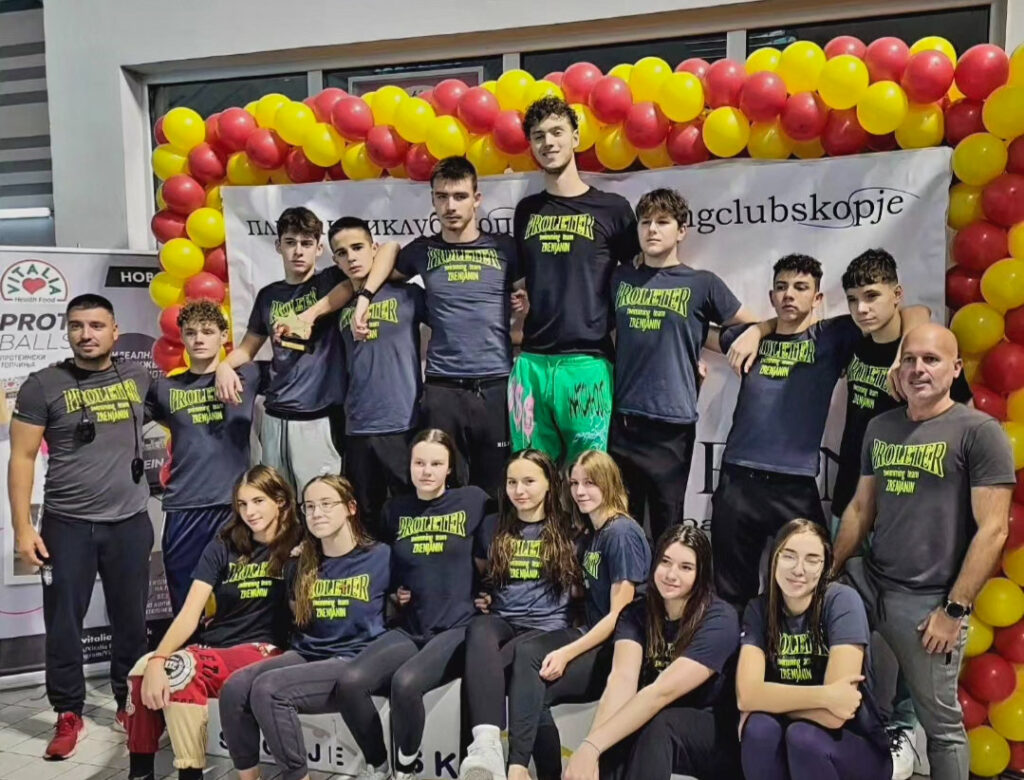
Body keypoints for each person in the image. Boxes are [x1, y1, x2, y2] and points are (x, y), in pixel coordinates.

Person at [833, 324, 1015, 780]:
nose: (918, 369)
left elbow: (994, 530)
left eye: (931, 359)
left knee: (943, 728)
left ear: (955, 369)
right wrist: (831, 571)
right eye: (909, 359)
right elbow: (861, 508)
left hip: (927, 604)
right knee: (849, 696)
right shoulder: (881, 427)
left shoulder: (979, 431)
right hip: (871, 584)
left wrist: (953, 610)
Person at [833, 250, 966, 778]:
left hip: (911, 519)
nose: (862, 309)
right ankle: (862, 723)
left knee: (918, 634)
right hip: (851, 507)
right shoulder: (851, 339)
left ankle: (908, 726)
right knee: (848, 621)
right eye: (854, 300)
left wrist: (903, 352)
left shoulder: (919, 352)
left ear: (897, 294)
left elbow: (923, 317)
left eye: (873, 297)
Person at [8, 293, 153, 758]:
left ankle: (129, 702)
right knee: (64, 624)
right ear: (67, 331)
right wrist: (22, 528)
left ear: (115, 331)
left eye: (96, 325)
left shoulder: (137, 377)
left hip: (129, 522)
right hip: (67, 526)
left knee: (130, 620)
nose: (86, 334)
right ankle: (68, 712)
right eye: (76, 326)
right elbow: (21, 457)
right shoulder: (42, 385)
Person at [330, 429, 489, 780]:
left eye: (436, 464)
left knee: (405, 684)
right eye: (419, 463)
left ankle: (405, 771)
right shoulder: (395, 509)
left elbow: (492, 550)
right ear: (410, 465)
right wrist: (394, 593)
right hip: (410, 626)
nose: (427, 471)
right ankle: (378, 767)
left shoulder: (473, 500)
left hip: (457, 627)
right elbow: (388, 563)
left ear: (450, 468)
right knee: (350, 683)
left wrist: (491, 592)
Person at [125, 465, 301, 780]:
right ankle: (139, 774)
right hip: (214, 647)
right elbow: (190, 613)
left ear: (281, 501)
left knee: (183, 670)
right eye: (242, 504)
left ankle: (190, 773)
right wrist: (158, 658)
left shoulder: (300, 544)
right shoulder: (225, 544)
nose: (249, 512)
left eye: (258, 501)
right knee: (141, 669)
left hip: (263, 650)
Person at [710, 254, 863, 611]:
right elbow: (698, 331)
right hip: (738, 481)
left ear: (818, 298)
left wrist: (758, 327)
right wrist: (754, 331)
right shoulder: (749, 341)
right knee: (730, 592)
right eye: (781, 287)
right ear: (771, 296)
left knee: (809, 589)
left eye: (800, 287)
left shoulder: (831, 337)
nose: (789, 294)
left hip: (794, 486)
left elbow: (911, 315)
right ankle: (737, 648)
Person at [219, 473, 391, 780]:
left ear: (350, 508)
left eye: (326, 504)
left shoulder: (381, 556)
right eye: (309, 507)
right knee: (235, 687)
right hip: (307, 653)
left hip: (354, 659)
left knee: (269, 690)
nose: (317, 513)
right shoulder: (301, 562)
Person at [214, 207, 397, 494]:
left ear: (319, 249)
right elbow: (247, 349)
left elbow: (383, 257)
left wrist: (310, 315)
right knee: (279, 502)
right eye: (290, 242)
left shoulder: (331, 280)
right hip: (275, 415)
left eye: (306, 243)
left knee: (322, 501)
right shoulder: (268, 295)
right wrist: (224, 366)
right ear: (278, 246)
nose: (298, 251)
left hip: (319, 417)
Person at [608, 187, 755, 540]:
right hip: (623, 422)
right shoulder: (620, 278)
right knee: (621, 528)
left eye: (663, 222)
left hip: (671, 428)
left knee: (668, 529)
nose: (652, 229)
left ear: (681, 231)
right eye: (645, 222)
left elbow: (747, 326)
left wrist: (756, 332)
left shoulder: (701, 283)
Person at [378, 156, 520, 498]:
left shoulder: (505, 248)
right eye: (442, 197)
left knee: (497, 489)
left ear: (477, 199)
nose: (450, 206)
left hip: (496, 384)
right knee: (444, 489)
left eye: (459, 196)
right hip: (442, 388)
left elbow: (533, 301)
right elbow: (381, 264)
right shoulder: (423, 250)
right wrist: (367, 296)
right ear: (432, 200)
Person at [503, 450, 650, 780]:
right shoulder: (595, 533)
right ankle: (531, 771)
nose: (580, 491)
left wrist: (567, 652)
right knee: (529, 677)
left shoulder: (621, 533)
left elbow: (620, 615)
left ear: (609, 483)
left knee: (532, 667)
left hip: (618, 650)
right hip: (592, 634)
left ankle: (519, 769)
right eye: (574, 483)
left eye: (590, 483)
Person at [509, 96, 640, 464]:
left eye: (557, 132)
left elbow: (640, 282)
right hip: (532, 362)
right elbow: (525, 282)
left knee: (589, 478)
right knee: (531, 476)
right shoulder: (526, 211)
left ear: (576, 137)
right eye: (538, 136)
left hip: (589, 363)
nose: (548, 142)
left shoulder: (613, 209)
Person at [563, 525, 741, 780]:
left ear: (701, 574)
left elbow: (661, 692)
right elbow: (622, 681)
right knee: (617, 732)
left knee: (659, 724)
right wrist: (591, 747)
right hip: (657, 716)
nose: (671, 574)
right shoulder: (637, 613)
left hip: (713, 730)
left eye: (686, 567)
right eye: (665, 562)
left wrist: (592, 745)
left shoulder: (719, 619)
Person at [458, 450, 581, 780]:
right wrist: (484, 596)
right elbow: (483, 571)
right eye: (512, 482)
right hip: (505, 620)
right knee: (479, 629)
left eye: (529, 481)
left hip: (548, 629)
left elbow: (581, 589)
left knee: (509, 673)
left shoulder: (569, 528)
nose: (519, 490)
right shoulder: (492, 526)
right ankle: (484, 749)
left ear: (549, 484)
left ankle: (539, 771)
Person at [737, 519, 891, 780]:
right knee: (759, 729)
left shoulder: (842, 601)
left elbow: (836, 716)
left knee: (802, 736)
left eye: (812, 560)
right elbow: (747, 695)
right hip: (795, 736)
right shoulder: (759, 609)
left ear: (825, 566)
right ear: (774, 559)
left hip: (853, 746)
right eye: (789, 556)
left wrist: (767, 702)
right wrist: (826, 696)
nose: (799, 569)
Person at [146, 299, 263, 612]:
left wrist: (226, 367)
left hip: (234, 505)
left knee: (240, 596)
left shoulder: (249, 376)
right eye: (191, 332)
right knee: (185, 599)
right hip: (185, 504)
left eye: (208, 331)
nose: (199, 339)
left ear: (223, 336)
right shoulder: (164, 388)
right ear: (182, 338)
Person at [328, 215, 425, 535]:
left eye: (358, 248)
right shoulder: (339, 305)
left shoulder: (408, 295)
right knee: (365, 519)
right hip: (357, 426)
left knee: (410, 516)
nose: (351, 257)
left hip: (403, 424)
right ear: (335, 261)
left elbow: (456, 324)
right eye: (342, 253)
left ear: (374, 248)